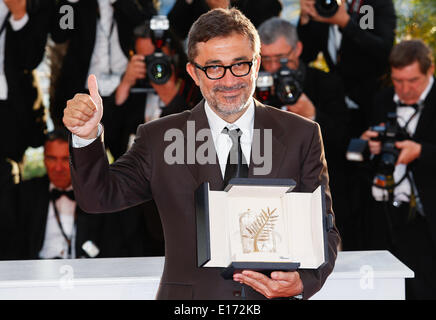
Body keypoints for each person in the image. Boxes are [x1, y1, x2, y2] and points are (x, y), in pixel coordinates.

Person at [63, 8, 340, 300]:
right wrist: (87, 137)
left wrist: (304, 282)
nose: (230, 80)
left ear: (256, 65)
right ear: (194, 72)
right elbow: (97, 197)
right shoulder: (159, 138)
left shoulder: (302, 135)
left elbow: (324, 230)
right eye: (214, 68)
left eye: (240, 65)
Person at [258, 17, 349, 249]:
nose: (273, 67)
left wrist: (313, 116)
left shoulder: (326, 83)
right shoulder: (253, 88)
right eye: (265, 59)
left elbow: (344, 141)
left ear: (297, 49)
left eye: (280, 58)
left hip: (320, 200)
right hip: (266, 205)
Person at [360, 40, 436, 299]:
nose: (404, 89)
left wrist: (421, 152)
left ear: (430, 70)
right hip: (390, 216)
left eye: (413, 80)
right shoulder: (382, 99)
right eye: (398, 80)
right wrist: (371, 146)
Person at [14, 129, 158, 260]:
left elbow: (115, 245)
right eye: (51, 158)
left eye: (65, 159)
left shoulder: (100, 192)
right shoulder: (25, 194)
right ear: (44, 159)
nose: (58, 168)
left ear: (78, 160)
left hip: (87, 274)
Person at [50, 0, 156, 159]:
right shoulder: (76, 5)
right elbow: (60, 34)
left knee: (133, 163)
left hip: (128, 90)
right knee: (83, 164)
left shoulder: (130, 4)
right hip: (84, 94)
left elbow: (150, 24)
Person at [297, 0, 396, 137]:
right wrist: (305, 19)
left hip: (371, 103)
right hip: (337, 104)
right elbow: (305, 55)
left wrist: (345, 23)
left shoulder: (372, 4)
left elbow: (383, 51)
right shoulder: (323, 5)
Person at [112, 21, 202, 154]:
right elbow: (110, 134)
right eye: (147, 59)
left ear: (173, 53)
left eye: (160, 57)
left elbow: (200, 141)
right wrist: (125, 84)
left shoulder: (195, 84)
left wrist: (172, 99)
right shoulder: (135, 86)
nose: (156, 66)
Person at [168, 0, 282, 40]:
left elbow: (262, 42)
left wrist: (222, 11)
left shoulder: (264, 4)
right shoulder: (196, 4)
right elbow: (174, 33)